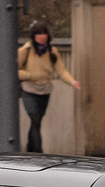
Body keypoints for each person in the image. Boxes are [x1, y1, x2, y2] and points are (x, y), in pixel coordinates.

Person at [17, 20, 79, 153]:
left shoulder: (52, 51)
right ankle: (39, 151)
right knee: (35, 118)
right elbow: (14, 70)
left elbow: (61, 70)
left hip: (45, 90)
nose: (42, 36)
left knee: (37, 122)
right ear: (34, 36)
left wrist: (73, 82)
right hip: (29, 89)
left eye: (44, 33)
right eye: (39, 33)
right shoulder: (25, 51)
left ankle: (30, 149)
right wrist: (27, 75)